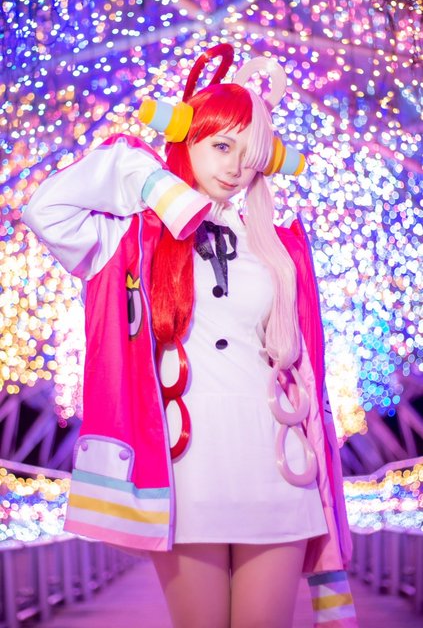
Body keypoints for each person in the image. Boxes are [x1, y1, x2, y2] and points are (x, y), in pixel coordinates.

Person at [23, 43, 357, 628]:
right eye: (222, 146)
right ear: (187, 139)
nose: (235, 167)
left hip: (276, 463)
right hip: (186, 472)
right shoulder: (129, 240)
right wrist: (148, 179)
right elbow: (44, 209)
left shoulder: (277, 247)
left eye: (250, 155)